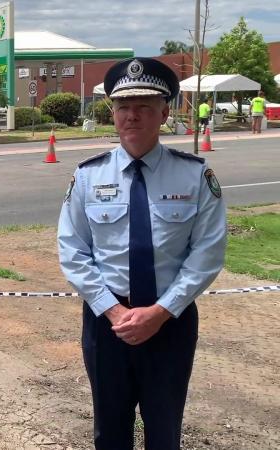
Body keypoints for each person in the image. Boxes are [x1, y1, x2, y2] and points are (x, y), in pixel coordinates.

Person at [57, 57, 227, 450]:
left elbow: (207, 251)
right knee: (109, 431)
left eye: (144, 107)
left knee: (164, 431)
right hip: (107, 323)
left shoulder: (195, 176)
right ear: (113, 114)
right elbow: (72, 249)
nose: (132, 116)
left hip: (170, 322)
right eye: (123, 107)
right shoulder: (88, 176)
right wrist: (114, 311)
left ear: (165, 113)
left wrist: (161, 312)